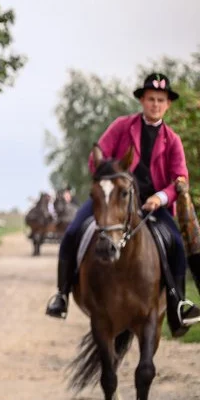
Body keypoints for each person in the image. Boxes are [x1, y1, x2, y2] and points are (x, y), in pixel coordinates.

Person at [46, 73, 199, 335]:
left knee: (174, 241)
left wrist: (160, 197)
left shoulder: (172, 140)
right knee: (72, 232)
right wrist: (111, 174)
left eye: (161, 100)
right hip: (114, 199)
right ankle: (61, 295)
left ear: (168, 104)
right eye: (151, 99)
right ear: (142, 100)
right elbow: (97, 158)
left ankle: (177, 303)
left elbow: (180, 178)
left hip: (152, 204)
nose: (155, 104)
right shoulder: (121, 126)